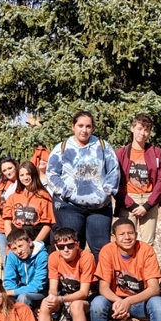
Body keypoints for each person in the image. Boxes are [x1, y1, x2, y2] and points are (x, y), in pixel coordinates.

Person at [47, 110, 120, 260]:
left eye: (88, 126)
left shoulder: (102, 146)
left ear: (92, 128)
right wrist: (65, 192)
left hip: (99, 208)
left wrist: (106, 191)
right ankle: (75, 283)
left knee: (102, 250)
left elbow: (114, 170)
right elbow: (52, 173)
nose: (84, 130)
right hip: (70, 207)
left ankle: (102, 283)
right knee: (72, 248)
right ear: (73, 126)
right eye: (80, 125)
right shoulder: (62, 148)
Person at [38, 228, 96, 321]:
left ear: (77, 244)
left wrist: (61, 299)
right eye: (61, 246)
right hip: (64, 295)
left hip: (87, 297)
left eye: (70, 245)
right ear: (56, 246)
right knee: (45, 303)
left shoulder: (86, 258)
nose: (66, 250)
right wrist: (52, 297)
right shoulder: (54, 257)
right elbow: (53, 286)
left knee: (76, 305)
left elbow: (83, 292)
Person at [114, 113, 161, 245]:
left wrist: (148, 205)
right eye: (139, 128)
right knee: (126, 240)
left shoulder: (156, 152)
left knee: (147, 243)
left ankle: (145, 266)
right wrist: (130, 204)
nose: (142, 133)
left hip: (149, 200)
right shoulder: (120, 153)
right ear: (132, 128)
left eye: (146, 130)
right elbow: (115, 182)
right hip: (128, 199)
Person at [4, 161, 55, 247]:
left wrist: (34, 245)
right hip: (16, 243)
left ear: (34, 174)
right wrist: (12, 242)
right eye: (22, 175)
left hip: (36, 242)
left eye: (28, 174)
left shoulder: (44, 196)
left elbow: (48, 224)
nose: (25, 178)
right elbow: (7, 222)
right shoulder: (12, 197)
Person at [3, 229, 49, 308]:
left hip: (41, 292)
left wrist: (13, 292)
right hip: (21, 289)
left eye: (20, 246)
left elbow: (38, 285)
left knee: (23, 297)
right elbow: (9, 280)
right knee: (2, 298)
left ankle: (23, 319)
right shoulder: (12, 256)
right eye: (14, 248)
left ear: (29, 242)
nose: (19, 251)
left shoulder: (42, 256)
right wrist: (11, 294)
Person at [0, 157, 19, 266]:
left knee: (17, 257)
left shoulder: (22, 182)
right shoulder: (1, 184)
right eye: (4, 170)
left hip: (15, 227)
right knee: (6, 260)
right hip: (0, 228)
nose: (8, 172)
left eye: (10, 168)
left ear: (16, 166)